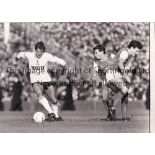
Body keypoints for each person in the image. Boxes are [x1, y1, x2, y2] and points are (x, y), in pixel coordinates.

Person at [16, 41, 69, 121]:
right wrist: (18, 59)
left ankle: (56, 116)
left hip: (46, 80)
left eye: (41, 52)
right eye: (37, 51)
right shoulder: (29, 55)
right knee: (39, 94)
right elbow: (20, 54)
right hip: (35, 80)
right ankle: (51, 113)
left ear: (43, 51)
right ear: (35, 50)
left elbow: (58, 60)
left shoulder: (47, 56)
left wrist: (64, 64)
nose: (39, 53)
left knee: (53, 100)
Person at [92, 41, 143, 121]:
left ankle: (123, 116)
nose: (137, 53)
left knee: (125, 92)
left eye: (138, 52)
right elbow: (119, 62)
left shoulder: (128, 55)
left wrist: (125, 74)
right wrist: (124, 74)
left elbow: (124, 65)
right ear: (132, 48)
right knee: (121, 91)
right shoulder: (125, 52)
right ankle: (112, 109)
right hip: (110, 74)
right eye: (136, 50)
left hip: (116, 74)